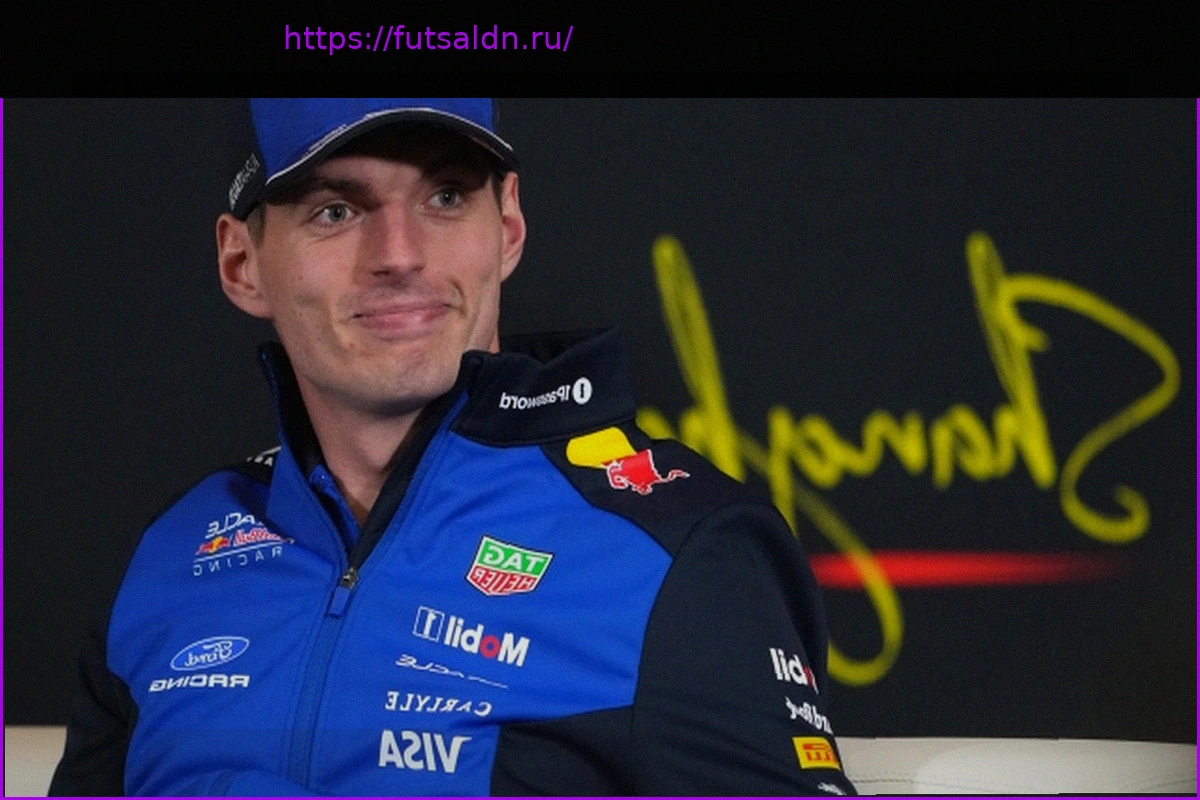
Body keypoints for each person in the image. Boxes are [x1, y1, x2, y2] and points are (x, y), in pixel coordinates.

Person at [49, 98, 856, 796]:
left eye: (445, 196)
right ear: (242, 262)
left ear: (506, 227)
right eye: (336, 210)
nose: (399, 254)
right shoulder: (174, 554)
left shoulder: (678, 551)